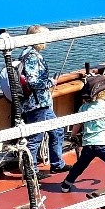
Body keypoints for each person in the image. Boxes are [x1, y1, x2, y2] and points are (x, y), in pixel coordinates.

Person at [59, 77, 105, 192]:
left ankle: (66, 185)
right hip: (104, 145)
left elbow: (77, 124)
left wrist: (73, 135)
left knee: (79, 166)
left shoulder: (84, 107)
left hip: (89, 145)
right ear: (103, 93)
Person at [17, 25, 68, 175]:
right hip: (37, 104)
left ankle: (57, 163)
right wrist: (50, 83)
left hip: (40, 103)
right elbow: (34, 82)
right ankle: (31, 172)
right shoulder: (32, 56)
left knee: (57, 131)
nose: (46, 42)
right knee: (35, 138)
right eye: (44, 38)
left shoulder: (27, 54)